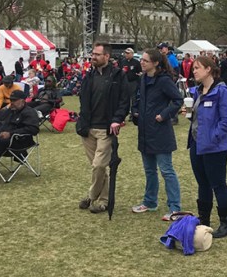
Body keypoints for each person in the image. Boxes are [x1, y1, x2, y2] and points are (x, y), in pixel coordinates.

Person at [186, 55, 227, 238]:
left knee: (218, 184)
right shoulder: (197, 91)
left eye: (197, 68)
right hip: (196, 144)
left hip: (215, 147)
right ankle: (203, 219)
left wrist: (213, 137)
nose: (194, 71)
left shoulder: (221, 91)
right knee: (203, 184)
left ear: (208, 69)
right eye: (193, 68)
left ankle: (226, 223)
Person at [76, 42, 129, 214]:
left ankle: (92, 196)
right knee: (97, 167)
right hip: (88, 129)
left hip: (106, 129)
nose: (93, 57)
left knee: (99, 166)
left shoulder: (118, 76)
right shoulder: (89, 76)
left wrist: (117, 119)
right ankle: (102, 200)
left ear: (107, 56)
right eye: (93, 54)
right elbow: (83, 101)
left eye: (97, 54)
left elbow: (124, 101)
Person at [131, 49, 183, 219]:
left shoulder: (164, 81)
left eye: (146, 60)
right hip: (145, 131)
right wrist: (136, 111)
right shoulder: (143, 79)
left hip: (160, 132)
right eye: (142, 60)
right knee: (149, 170)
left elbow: (177, 100)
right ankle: (150, 201)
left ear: (155, 63)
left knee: (166, 170)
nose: (142, 62)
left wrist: (163, 114)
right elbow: (139, 99)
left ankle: (175, 207)